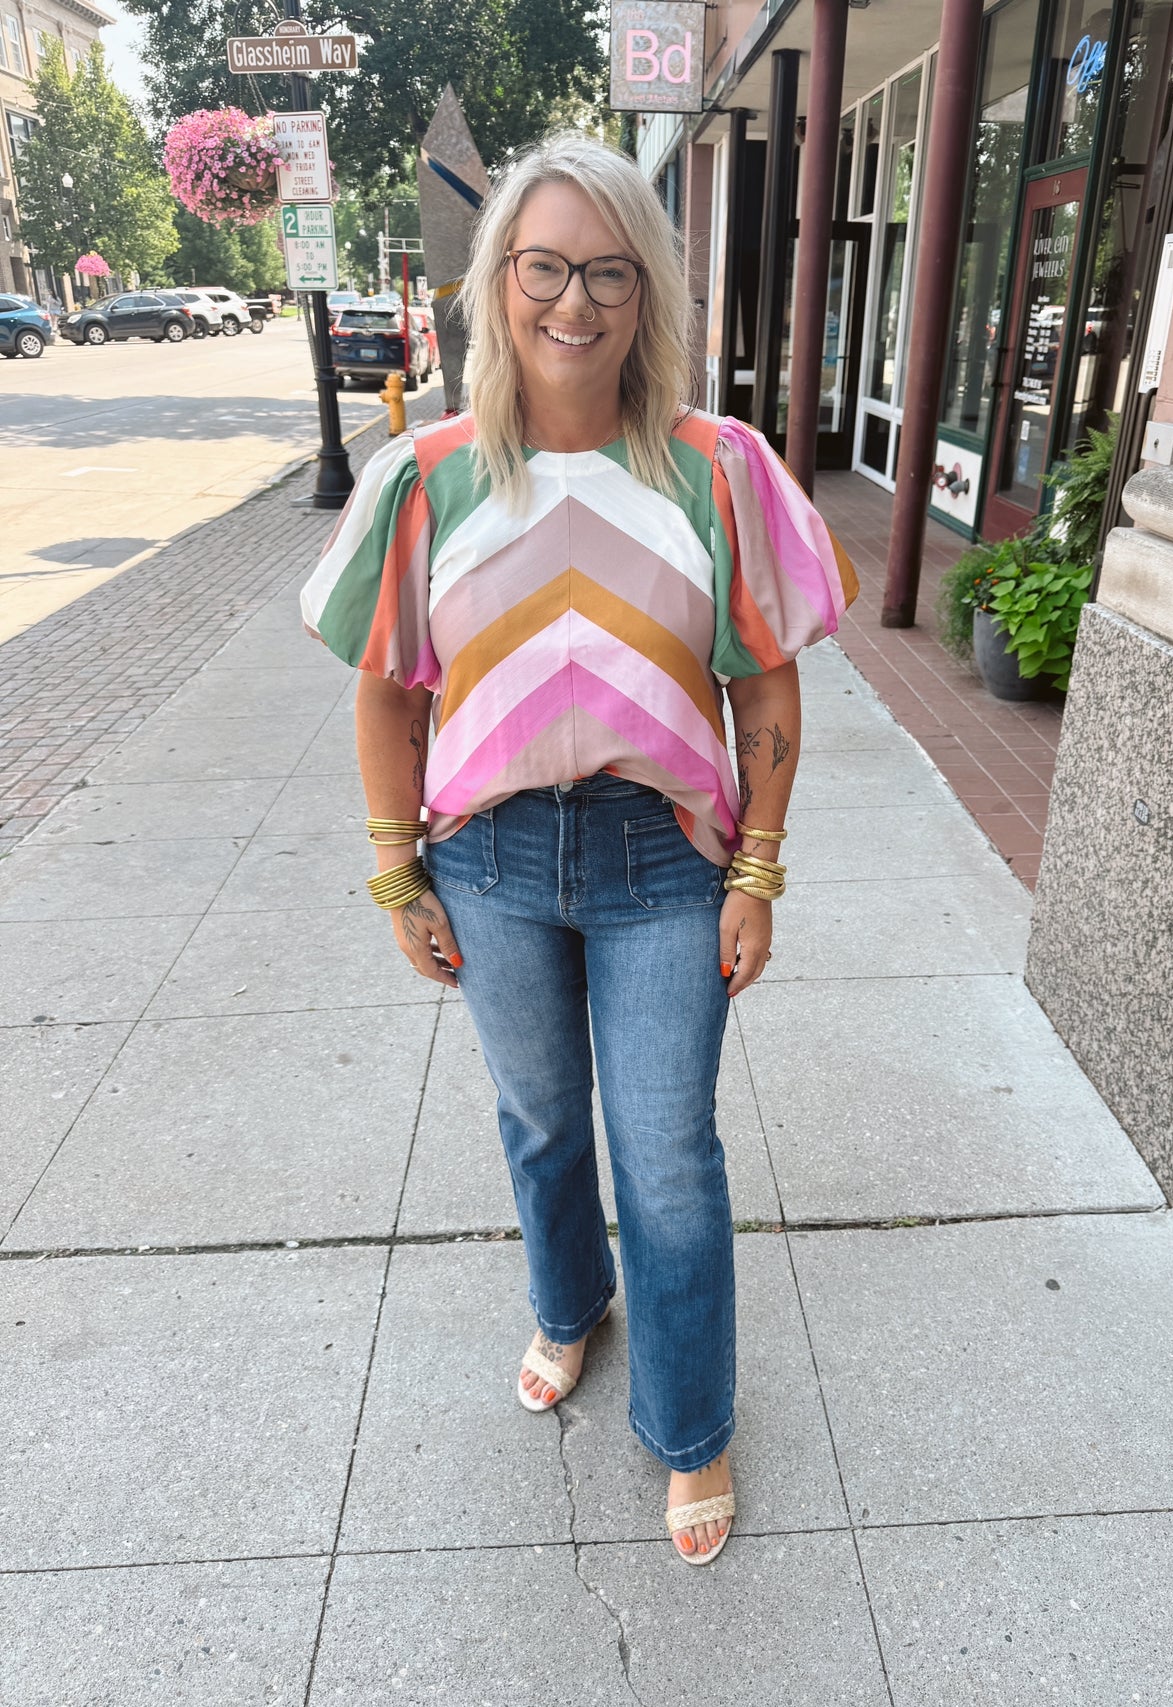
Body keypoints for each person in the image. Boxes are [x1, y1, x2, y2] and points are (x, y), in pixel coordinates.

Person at [301, 133, 857, 1566]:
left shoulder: (711, 468)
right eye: (544, 268)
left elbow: (765, 683)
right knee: (540, 1126)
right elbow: (386, 686)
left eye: (608, 272)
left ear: (646, 292)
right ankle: (567, 1304)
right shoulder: (423, 478)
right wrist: (391, 868)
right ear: (497, 284)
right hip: (486, 861)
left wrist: (759, 871)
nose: (574, 303)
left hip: (663, 861)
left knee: (666, 1159)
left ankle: (689, 1424)